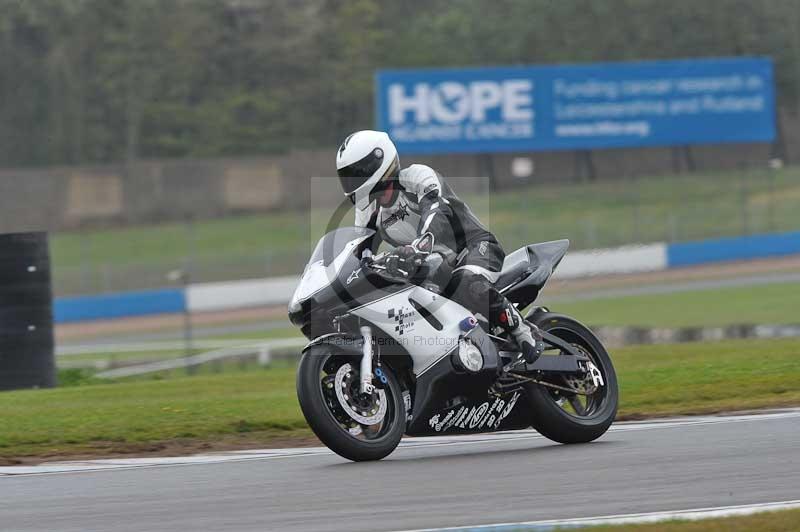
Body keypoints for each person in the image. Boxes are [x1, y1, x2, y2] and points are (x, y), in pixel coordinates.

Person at [335, 130, 542, 363]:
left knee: (465, 283)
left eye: (355, 173)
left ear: (378, 163)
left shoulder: (417, 177)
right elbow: (360, 252)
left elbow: (435, 210)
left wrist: (418, 247)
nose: (351, 182)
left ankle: (523, 331)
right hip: (430, 265)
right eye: (346, 176)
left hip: (474, 247)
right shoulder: (368, 212)